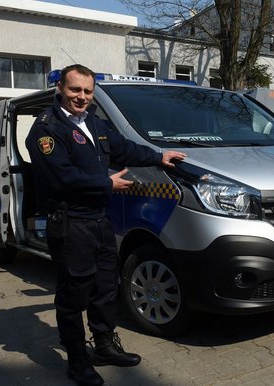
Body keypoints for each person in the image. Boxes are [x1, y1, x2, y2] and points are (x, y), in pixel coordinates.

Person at [25, 64, 186, 386]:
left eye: (87, 91)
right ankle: (77, 360)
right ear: (61, 89)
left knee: (104, 289)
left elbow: (124, 149)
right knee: (73, 296)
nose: (81, 97)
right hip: (71, 224)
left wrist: (158, 157)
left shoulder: (95, 124)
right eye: (75, 90)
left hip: (99, 221)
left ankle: (104, 345)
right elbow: (61, 176)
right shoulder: (45, 129)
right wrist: (104, 183)